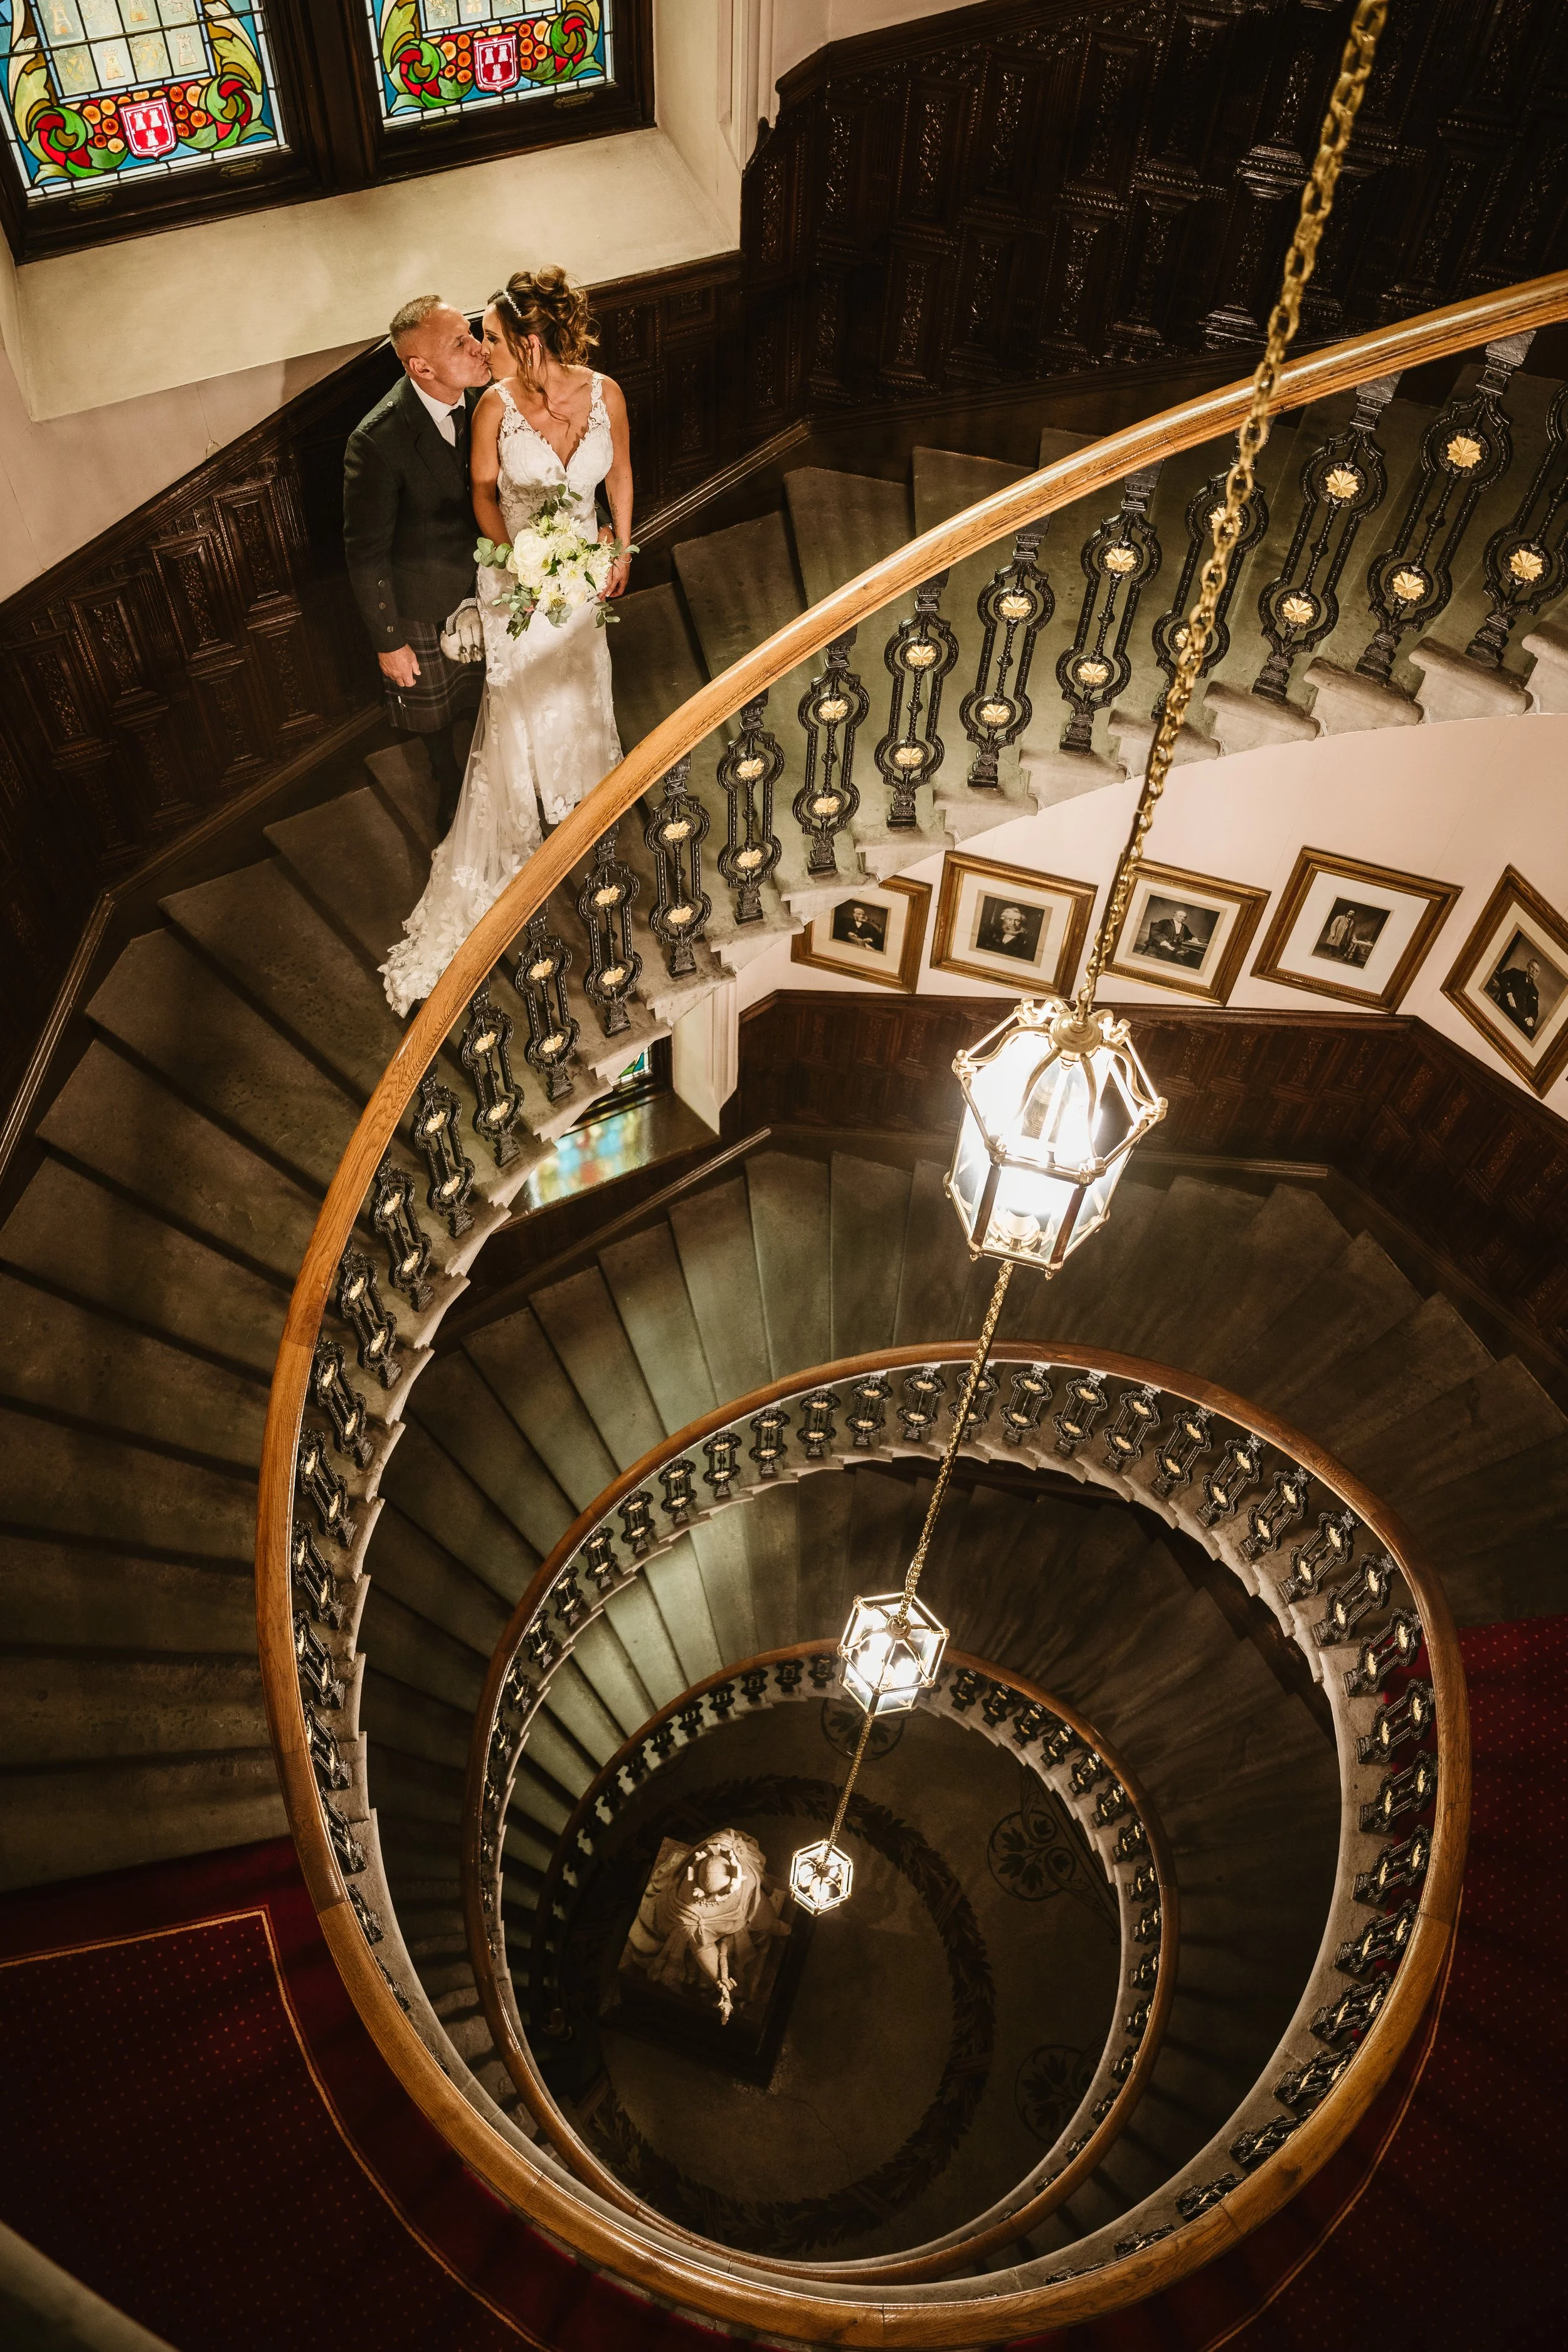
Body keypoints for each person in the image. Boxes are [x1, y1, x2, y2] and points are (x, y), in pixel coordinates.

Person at [379, 268, 632, 1019]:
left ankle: (585, 792)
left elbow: (617, 472)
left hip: (583, 572)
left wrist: (620, 544)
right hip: (519, 581)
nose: (481, 351)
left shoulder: (605, 392)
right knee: (521, 708)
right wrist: (519, 560)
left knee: (583, 687)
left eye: (487, 337)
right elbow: (485, 495)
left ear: (527, 338)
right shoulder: (494, 407)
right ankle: (525, 817)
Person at [343, 296, 492, 835]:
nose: (480, 348)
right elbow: (365, 551)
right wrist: (389, 640)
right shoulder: (377, 440)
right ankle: (447, 778)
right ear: (421, 368)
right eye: (461, 343)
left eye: (472, 333)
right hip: (423, 600)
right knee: (434, 711)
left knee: (496, 689)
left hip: (498, 578)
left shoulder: (491, 396)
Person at [1490, 953, 1542, 1036]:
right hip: (1509, 1007)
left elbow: (1535, 1009)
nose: (1533, 972)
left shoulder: (1535, 992)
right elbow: (1501, 977)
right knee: (1528, 1032)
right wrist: (1509, 994)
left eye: (1536, 971)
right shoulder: (1516, 973)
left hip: (1524, 1020)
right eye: (1532, 968)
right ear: (1528, 966)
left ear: (1537, 975)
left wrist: (1531, 1020)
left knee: (1531, 1034)